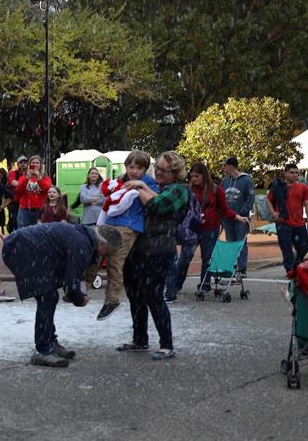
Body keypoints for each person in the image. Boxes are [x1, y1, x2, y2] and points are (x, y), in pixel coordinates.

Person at [2, 223, 122, 367]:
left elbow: (70, 279)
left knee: (49, 296)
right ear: (102, 244)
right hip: (20, 248)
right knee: (48, 297)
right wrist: (80, 300)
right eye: (108, 252)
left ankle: (49, 342)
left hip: (22, 245)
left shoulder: (83, 238)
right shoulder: (82, 245)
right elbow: (71, 283)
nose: (105, 256)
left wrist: (75, 292)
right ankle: (43, 350)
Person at [119, 151, 189, 360]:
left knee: (154, 296)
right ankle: (140, 339)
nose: (158, 172)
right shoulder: (154, 186)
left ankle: (166, 344)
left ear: (175, 173)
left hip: (159, 250)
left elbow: (157, 205)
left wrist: (138, 186)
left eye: (163, 170)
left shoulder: (179, 191)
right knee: (135, 295)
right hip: (137, 248)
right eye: (156, 167)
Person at [87, 151, 157, 322]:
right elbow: (108, 193)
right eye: (131, 167)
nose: (134, 171)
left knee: (115, 260)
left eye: (139, 168)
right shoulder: (120, 179)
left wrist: (140, 186)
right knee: (93, 251)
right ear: (126, 166)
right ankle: (82, 286)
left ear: (145, 169)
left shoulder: (147, 182)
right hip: (110, 223)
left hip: (128, 226)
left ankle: (112, 299)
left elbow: (156, 200)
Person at [178, 162, 249, 298]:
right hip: (192, 229)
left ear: (204, 176)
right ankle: (176, 285)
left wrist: (238, 217)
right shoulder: (188, 190)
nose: (194, 179)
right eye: (192, 176)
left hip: (210, 229)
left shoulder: (216, 190)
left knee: (207, 259)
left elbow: (225, 209)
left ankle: (204, 286)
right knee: (185, 258)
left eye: (197, 176)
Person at [267, 164, 308, 275]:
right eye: (292, 172)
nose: (295, 175)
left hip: (299, 223)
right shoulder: (277, 186)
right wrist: (273, 212)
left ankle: (296, 266)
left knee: (304, 247)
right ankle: (290, 271)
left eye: (296, 173)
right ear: (285, 173)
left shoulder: (303, 187)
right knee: (286, 249)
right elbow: (268, 200)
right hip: (283, 222)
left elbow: (306, 203)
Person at [220, 157, 255, 277]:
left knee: (241, 243)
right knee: (230, 243)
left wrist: (241, 213)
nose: (223, 167)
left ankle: (242, 269)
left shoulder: (246, 180)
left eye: (225, 165)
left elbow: (250, 199)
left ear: (231, 166)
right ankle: (231, 267)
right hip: (228, 218)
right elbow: (220, 199)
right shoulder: (224, 181)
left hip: (241, 218)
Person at [14, 155, 53, 228]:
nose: (35, 164)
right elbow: (18, 190)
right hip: (25, 210)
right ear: (29, 165)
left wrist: (39, 179)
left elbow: (47, 189)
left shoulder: (45, 178)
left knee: (39, 234)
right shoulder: (23, 177)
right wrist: (26, 179)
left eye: (37, 163)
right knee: (24, 233)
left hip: (40, 210)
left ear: (40, 165)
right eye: (33, 163)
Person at [7, 155, 29, 233]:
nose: (23, 164)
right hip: (14, 203)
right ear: (18, 164)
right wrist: (26, 184)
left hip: (27, 204)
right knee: (14, 223)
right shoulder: (13, 173)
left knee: (27, 225)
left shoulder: (30, 174)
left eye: (25, 162)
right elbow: (13, 183)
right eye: (21, 162)